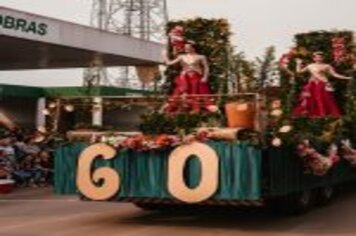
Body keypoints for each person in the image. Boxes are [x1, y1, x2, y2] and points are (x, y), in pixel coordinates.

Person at [291, 52, 352, 117]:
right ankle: (310, 115)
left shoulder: (327, 66)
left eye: (320, 57)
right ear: (314, 58)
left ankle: (324, 115)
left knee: (323, 99)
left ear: (323, 58)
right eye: (317, 57)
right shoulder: (310, 66)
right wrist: (298, 64)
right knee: (309, 99)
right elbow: (299, 72)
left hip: (322, 84)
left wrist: (346, 77)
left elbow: (335, 74)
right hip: (312, 85)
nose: (318, 58)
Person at [163, 41, 213, 113]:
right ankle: (176, 108)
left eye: (188, 47)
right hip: (184, 78)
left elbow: (206, 67)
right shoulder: (182, 56)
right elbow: (169, 63)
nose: (186, 49)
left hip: (196, 76)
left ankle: (196, 109)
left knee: (196, 92)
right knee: (179, 92)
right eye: (185, 47)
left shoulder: (201, 57)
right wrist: (165, 56)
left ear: (193, 48)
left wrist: (205, 77)